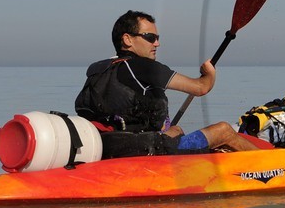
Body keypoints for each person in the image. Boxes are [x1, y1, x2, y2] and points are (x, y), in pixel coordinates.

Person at [76, 10, 262, 156]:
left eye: (157, 38)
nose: (156, 44)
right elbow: (200, 87)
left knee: (176, 129)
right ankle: (277, 166)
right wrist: (209, 73)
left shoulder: (98, 69)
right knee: (224, 130)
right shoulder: (144, 67)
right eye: (150, 37)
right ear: (127, 39)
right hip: (146, 151)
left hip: (108, 148)